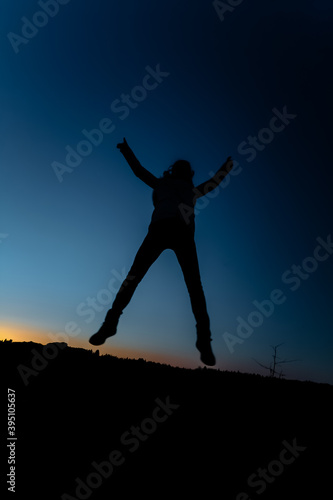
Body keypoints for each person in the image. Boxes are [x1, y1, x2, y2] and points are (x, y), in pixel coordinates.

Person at [89, 138, 233, 366]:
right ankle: (110, 323)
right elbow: (139, 171)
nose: (182, 172)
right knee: (134, 278)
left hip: (180, 234)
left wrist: (226, 169)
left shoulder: (190, 190)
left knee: (193, 287)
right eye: (180, 169)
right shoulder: (163, 185)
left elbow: (214, 182)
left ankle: (203, 340)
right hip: (161, 230)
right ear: (176, 171)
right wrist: (126, 150)